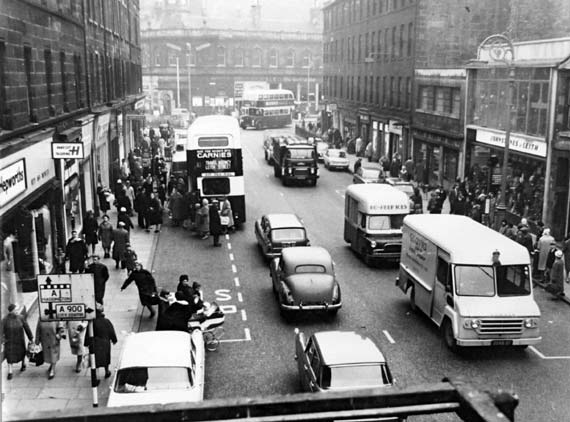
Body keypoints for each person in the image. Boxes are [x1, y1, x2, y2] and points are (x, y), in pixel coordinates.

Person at [2, 304, 34, 380]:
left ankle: (23, 364)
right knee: (9, 356)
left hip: (19, 339)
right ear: (11, 311)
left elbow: (27, 327)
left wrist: (31, 338)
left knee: (22, 352)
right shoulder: (5, 320)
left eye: (17, 309)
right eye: (15, 310)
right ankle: (10, 371)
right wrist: (2, 341)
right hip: (9, 341)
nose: (17, 311)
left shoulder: (21, 317)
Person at [84, 305, 117, 379]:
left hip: (95, 344)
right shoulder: (106, 321)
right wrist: (114, 340)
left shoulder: (92, 322)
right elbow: (111, 331)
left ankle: (97, 377)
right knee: (106, 358)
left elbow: (88, 333)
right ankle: (107, 371)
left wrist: (86, 343)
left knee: (95, 360)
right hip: (105, 343)